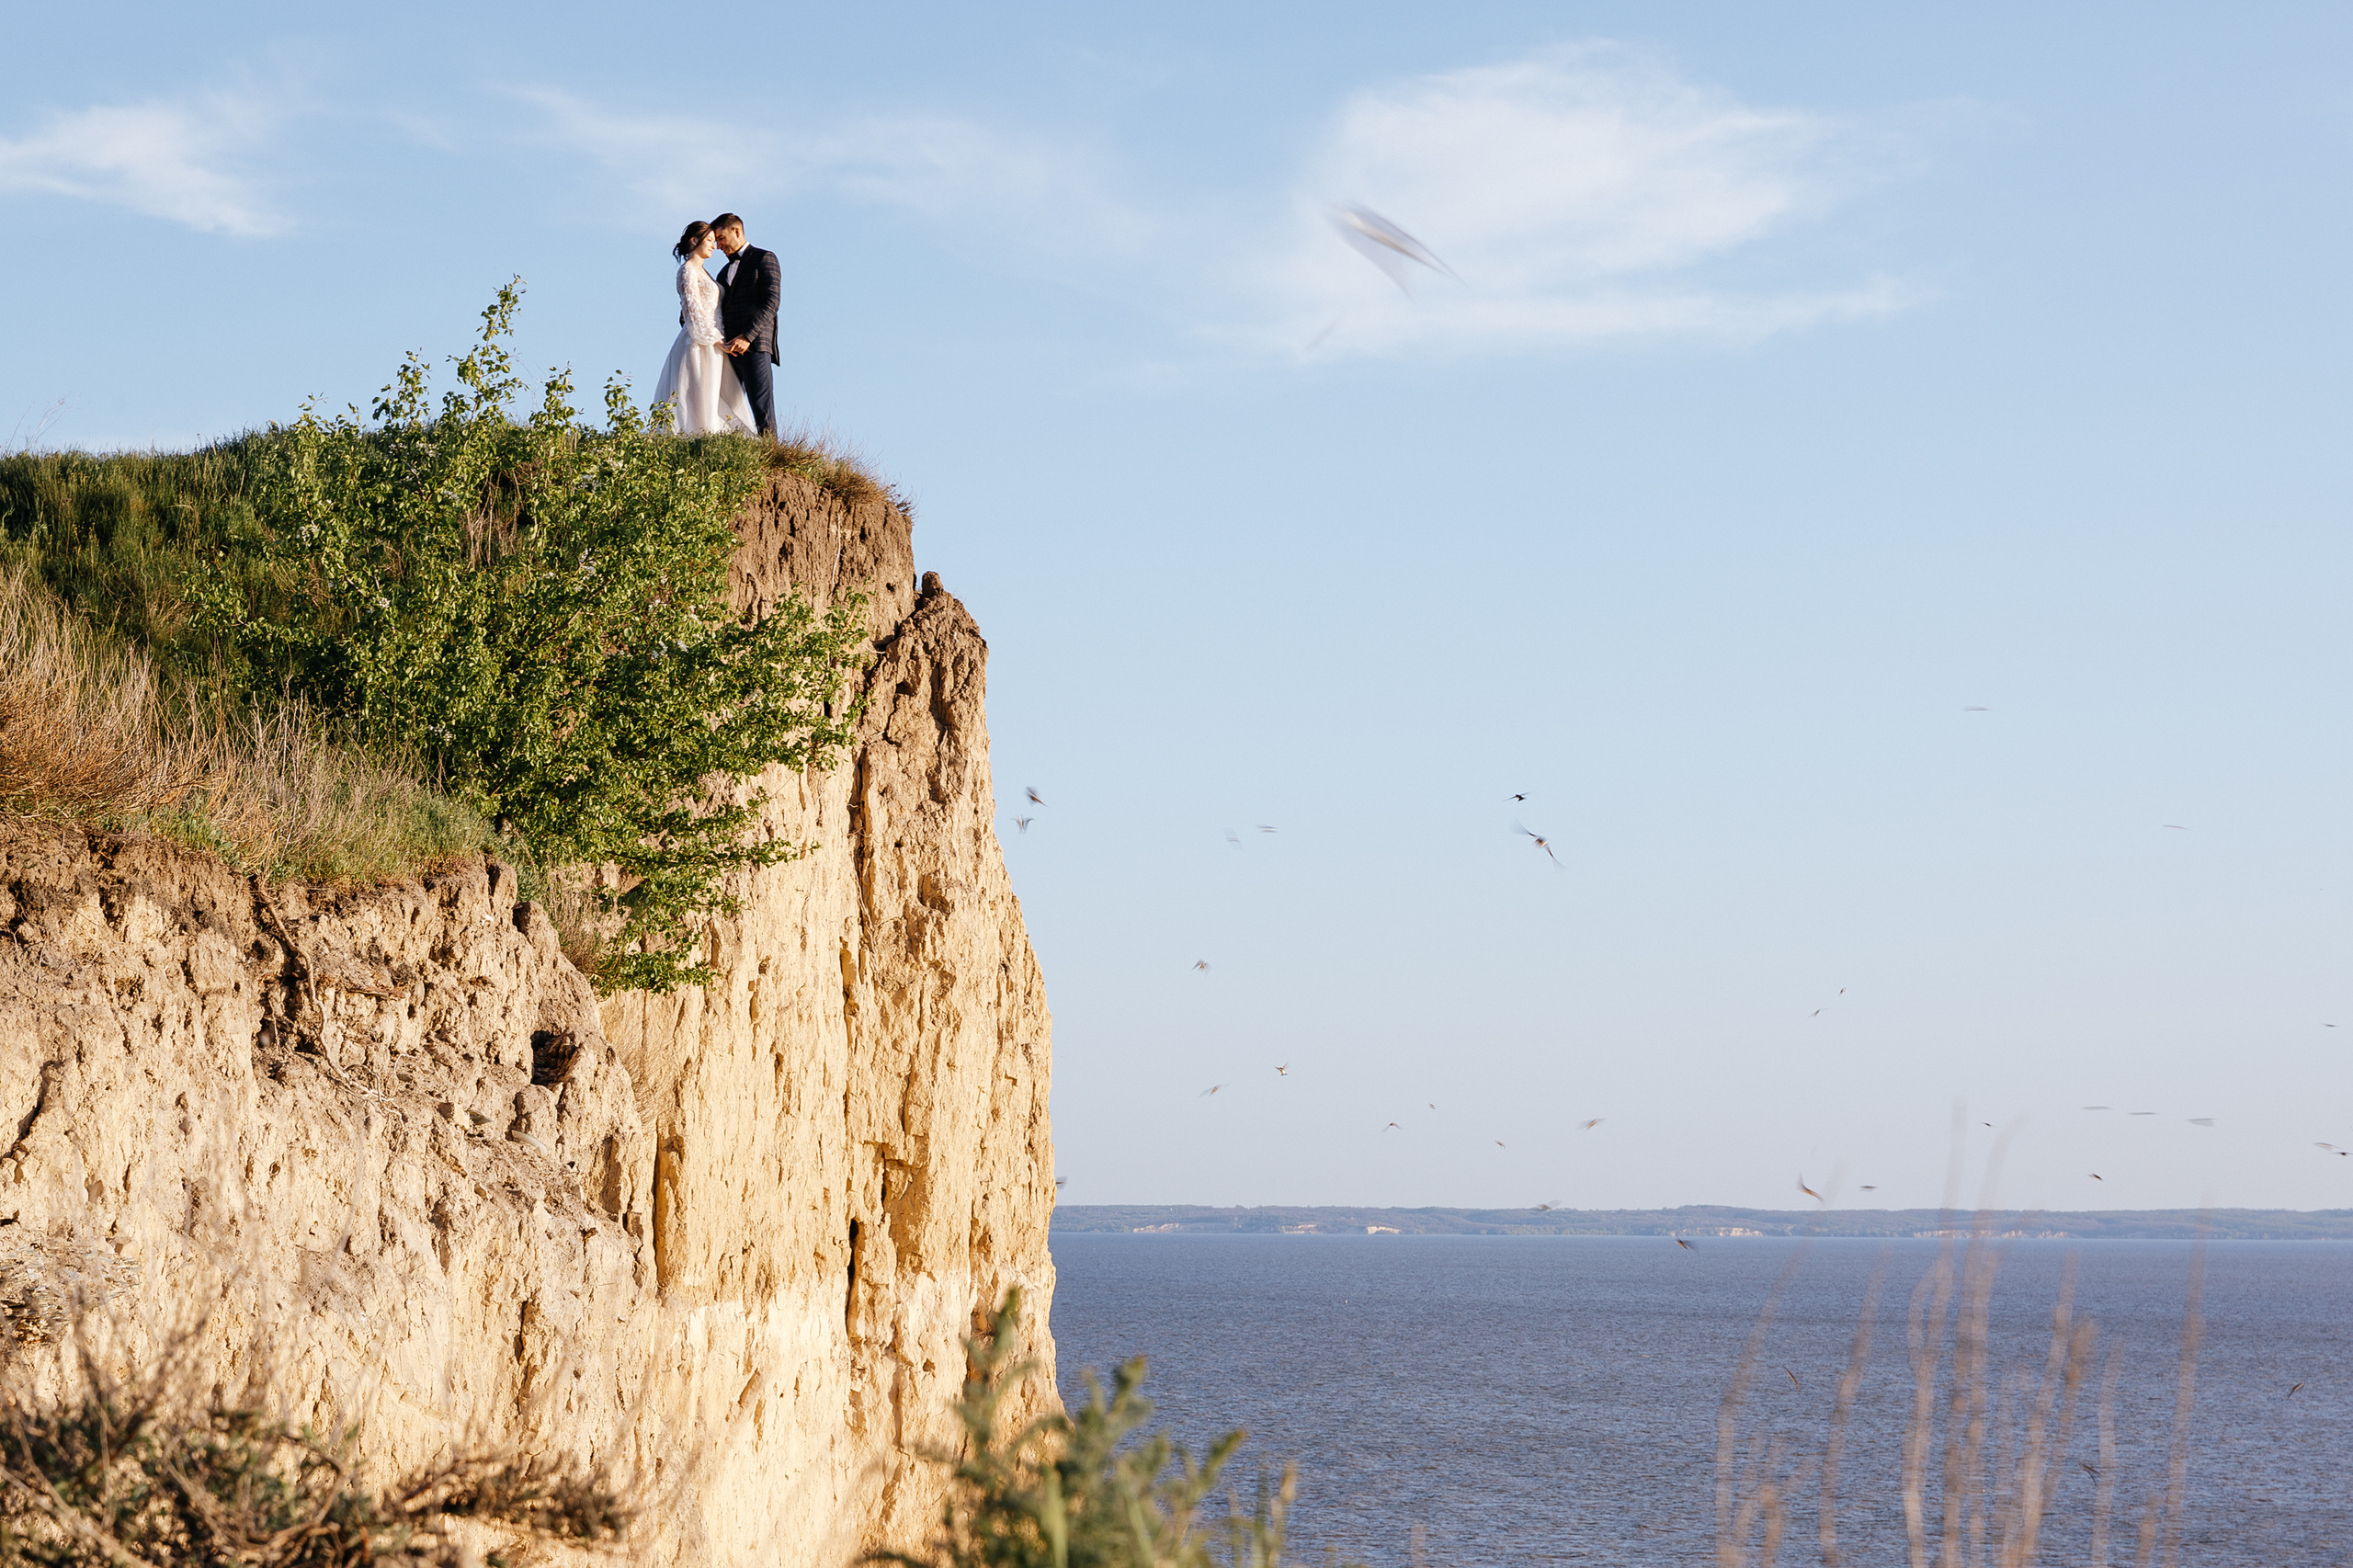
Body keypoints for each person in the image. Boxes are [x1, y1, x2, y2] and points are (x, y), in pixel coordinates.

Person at [650, 220, 756, 436]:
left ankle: (712, 437)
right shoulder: (688, 271)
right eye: (709, 240)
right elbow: (692, 312)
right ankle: (697, 437)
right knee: (698, 394)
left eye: (715, 241)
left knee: (715, 393)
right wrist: (716, 340)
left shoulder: (706, 273)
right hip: (700, 343)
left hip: (716, 341)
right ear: (694, 241)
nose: (714, 246)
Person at [710, 212, 781, 438]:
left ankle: (771, 454)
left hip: (756, 344)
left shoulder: (764, 258)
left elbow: (772, 302)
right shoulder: (722, 272)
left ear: (737, 231)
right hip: (727, 349)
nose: (718, 245)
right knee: (726, 403)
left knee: (762, 406)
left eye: (721, 238)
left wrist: (747, 337)